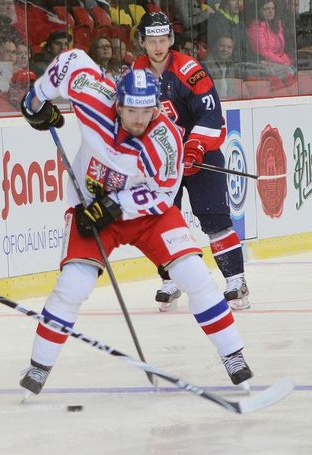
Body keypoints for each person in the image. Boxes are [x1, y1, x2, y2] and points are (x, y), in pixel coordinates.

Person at [17, 50, 253, 396]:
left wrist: (114, 206)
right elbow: (70, 62)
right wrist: (35, 99)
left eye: (148, 110)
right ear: (118, 103)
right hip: (91, 210)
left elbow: (162, 194)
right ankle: (38, 368)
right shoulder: (94, 97)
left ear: (157, 106)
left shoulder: (166, 140)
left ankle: (233, 355)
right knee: (74, 284)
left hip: (147, 215)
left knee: (193, 274)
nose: (140, 119)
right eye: (132, 110)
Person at [132, 12, 250, 311]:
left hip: (200, 155)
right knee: (159, 219)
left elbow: (211, 114)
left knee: (213, 216)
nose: (158, 47)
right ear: (142, 42)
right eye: (151, 41)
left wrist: (195, 148)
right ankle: (171, 279)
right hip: (163, 162)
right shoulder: (137, 72)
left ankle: (236, 280)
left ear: (170, 40)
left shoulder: (189, 69)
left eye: (163, 40)